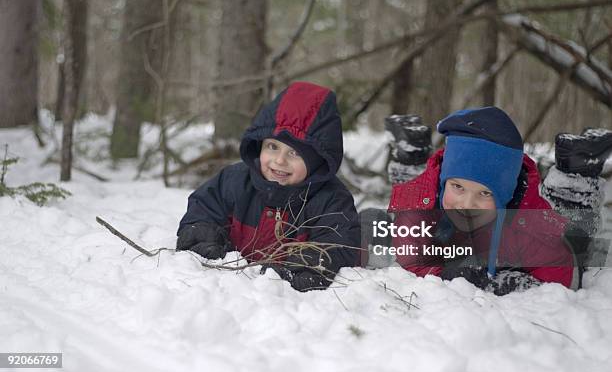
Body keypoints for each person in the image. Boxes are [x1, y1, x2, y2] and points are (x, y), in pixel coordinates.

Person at [383, 107, 611, 295]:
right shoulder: (422, 209)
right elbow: (409, 255)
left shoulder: (525, 224)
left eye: (484, 194)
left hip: (527, 212)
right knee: (411, 192)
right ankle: (411, 151)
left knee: (573, 236)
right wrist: (441, 273)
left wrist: (510, 282)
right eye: (458, 187)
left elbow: (562, 274)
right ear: (446, 182)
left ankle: (577, 171)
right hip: (432, 189)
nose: (466, 204)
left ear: (503, 197)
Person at [176, 82, 360, 292]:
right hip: (231, 288)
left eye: (294, 153)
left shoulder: (331, 200)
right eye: (272, 147)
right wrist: (203, 234)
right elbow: (204, 209)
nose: (279, 161)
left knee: (357, 240)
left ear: (317, 161)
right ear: (260, 144)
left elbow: (339, 245)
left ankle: (374, 231)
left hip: (281, 305)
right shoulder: (234, 181)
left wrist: (309, 263)